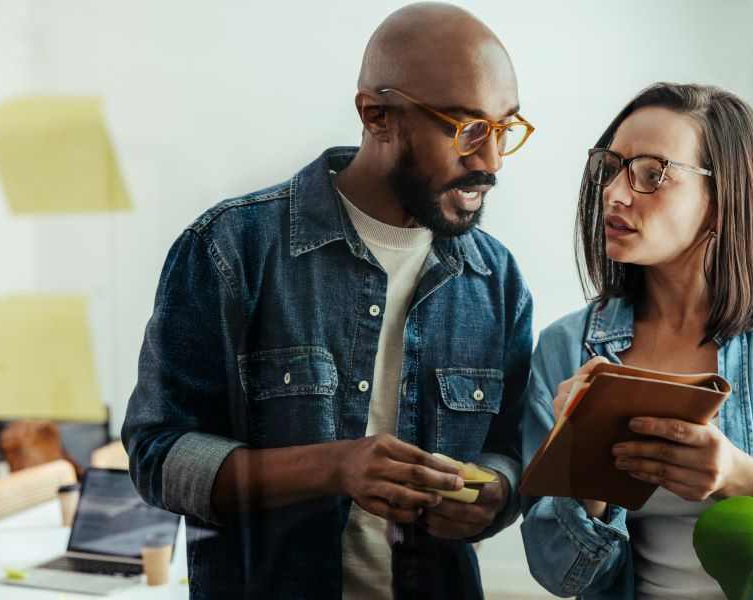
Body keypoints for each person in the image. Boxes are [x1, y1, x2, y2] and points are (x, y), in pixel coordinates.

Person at [121, 3, 535, 599]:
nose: (491, 161)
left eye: (505, 128)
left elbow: (511, 452)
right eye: (466, 127)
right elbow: (158, 457)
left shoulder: (497, 280)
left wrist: (496, 495)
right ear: (376, 115)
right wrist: (334, 467)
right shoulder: (229, 250)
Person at [520, 82, 753, 599]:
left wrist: (747, 481)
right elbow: (554, 571)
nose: (614, 193)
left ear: (721, 197)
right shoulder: (565, 348)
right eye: (611, 167)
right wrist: (588, 473)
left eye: (652, 174)